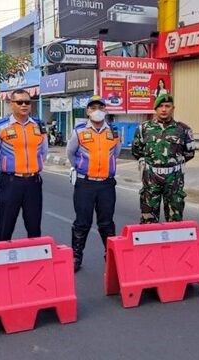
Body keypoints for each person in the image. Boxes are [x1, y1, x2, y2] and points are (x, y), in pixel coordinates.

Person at [66, 95, 121, 272]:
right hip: (85, 184)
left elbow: (116, 153)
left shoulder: (113, 132)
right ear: (88, 111)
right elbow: (71, 153)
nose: (96, 111)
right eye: (92, 107)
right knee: (82, 222)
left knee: (106, 222)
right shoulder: (79, 131)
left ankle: (111, 256)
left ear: (105, 110)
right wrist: (81, 168)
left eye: (100, 107)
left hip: (106, 184)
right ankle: (76, 256)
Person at [0, 89, 48, 241]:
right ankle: (1, 260)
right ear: (11, 104)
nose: (24, 105)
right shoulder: (0, 127)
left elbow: (43, 152)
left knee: (34, 228)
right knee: (5, 227)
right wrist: (9, 171)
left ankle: (35, 262)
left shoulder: (38, 126)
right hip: (10, 183)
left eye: (27, 102)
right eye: (19, 102)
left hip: (33, 183)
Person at [131, 94, 197, 224]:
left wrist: (171, 164)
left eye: (167, 106)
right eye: (160, 106)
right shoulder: (143, 128)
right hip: (151, 178)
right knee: (148, 219)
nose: (164, 109)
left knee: (175, 220)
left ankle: (173, 243)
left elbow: (190, 152)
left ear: (173, 108)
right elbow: (137, 151)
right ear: (155, 109)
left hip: (174, 179)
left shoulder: (183, 129)